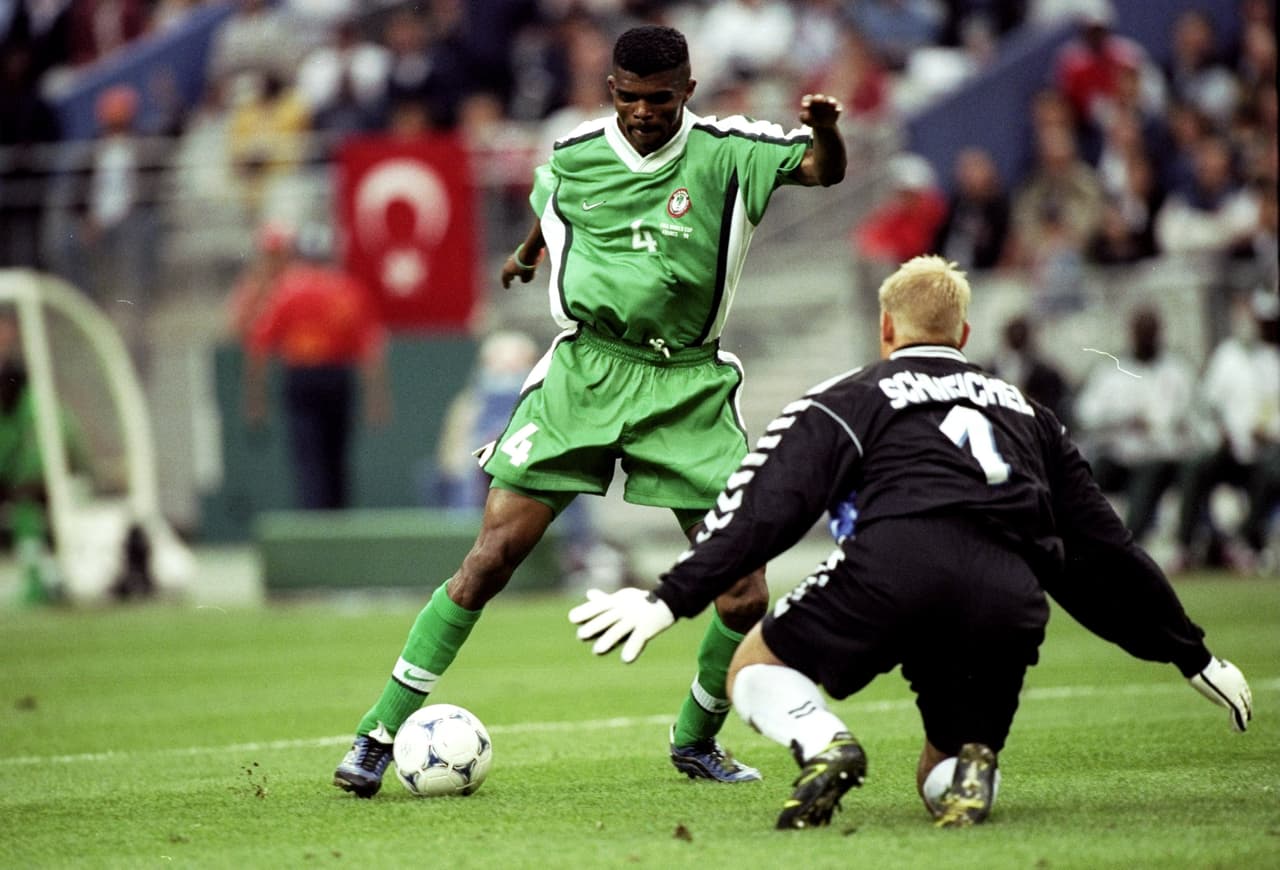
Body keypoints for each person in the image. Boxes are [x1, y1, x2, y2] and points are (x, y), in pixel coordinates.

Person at [331, 23, 847, 798]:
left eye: (661, 99)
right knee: (490, 558)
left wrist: (827, 132)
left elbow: (819, 170)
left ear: (688, 93)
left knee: (743, 592)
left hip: (686, 386)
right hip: (586, 375)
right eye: (631, 97)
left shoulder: (728, 152)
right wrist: (527, 254)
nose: (644, 112)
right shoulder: (574, 154)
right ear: (612, 91)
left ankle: (695, 740)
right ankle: (376, 733)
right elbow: (556, 203)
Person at [570, 255, 1253, 830]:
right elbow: (1104, 547)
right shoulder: (1029, 413)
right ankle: (972, 766)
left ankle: (826, 744)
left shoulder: (851, 395)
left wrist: (668, 598)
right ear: (964, 331)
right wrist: (1188, 652)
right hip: (1008, 598)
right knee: (942, 771)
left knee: (753, 668)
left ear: (886, 329)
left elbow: (764, 505)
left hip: (894, 570)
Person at [238, 225, 391, 511]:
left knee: (308, 456)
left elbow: (258, 346)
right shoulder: (348, 290)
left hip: (302, 379)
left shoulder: (287, 291)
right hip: (337, 378)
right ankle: (336, 522)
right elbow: (371, 350)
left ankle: (314, 521)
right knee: (337, 455)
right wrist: (377, 399)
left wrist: (255, 400)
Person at [1074, 306, 1198, 545]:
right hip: (1121, 455)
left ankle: (1129, 541)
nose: (1146, 336)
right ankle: (1083, 541)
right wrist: (1123, 419)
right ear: (1131, 333)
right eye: (1141, 331)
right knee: (1086, 474)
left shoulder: (1177, 370)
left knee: (1149, 474)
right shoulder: (1111, 371)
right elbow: (1085, 414)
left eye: (1150, 331)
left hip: (1165, 456)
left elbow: (1193, 417)